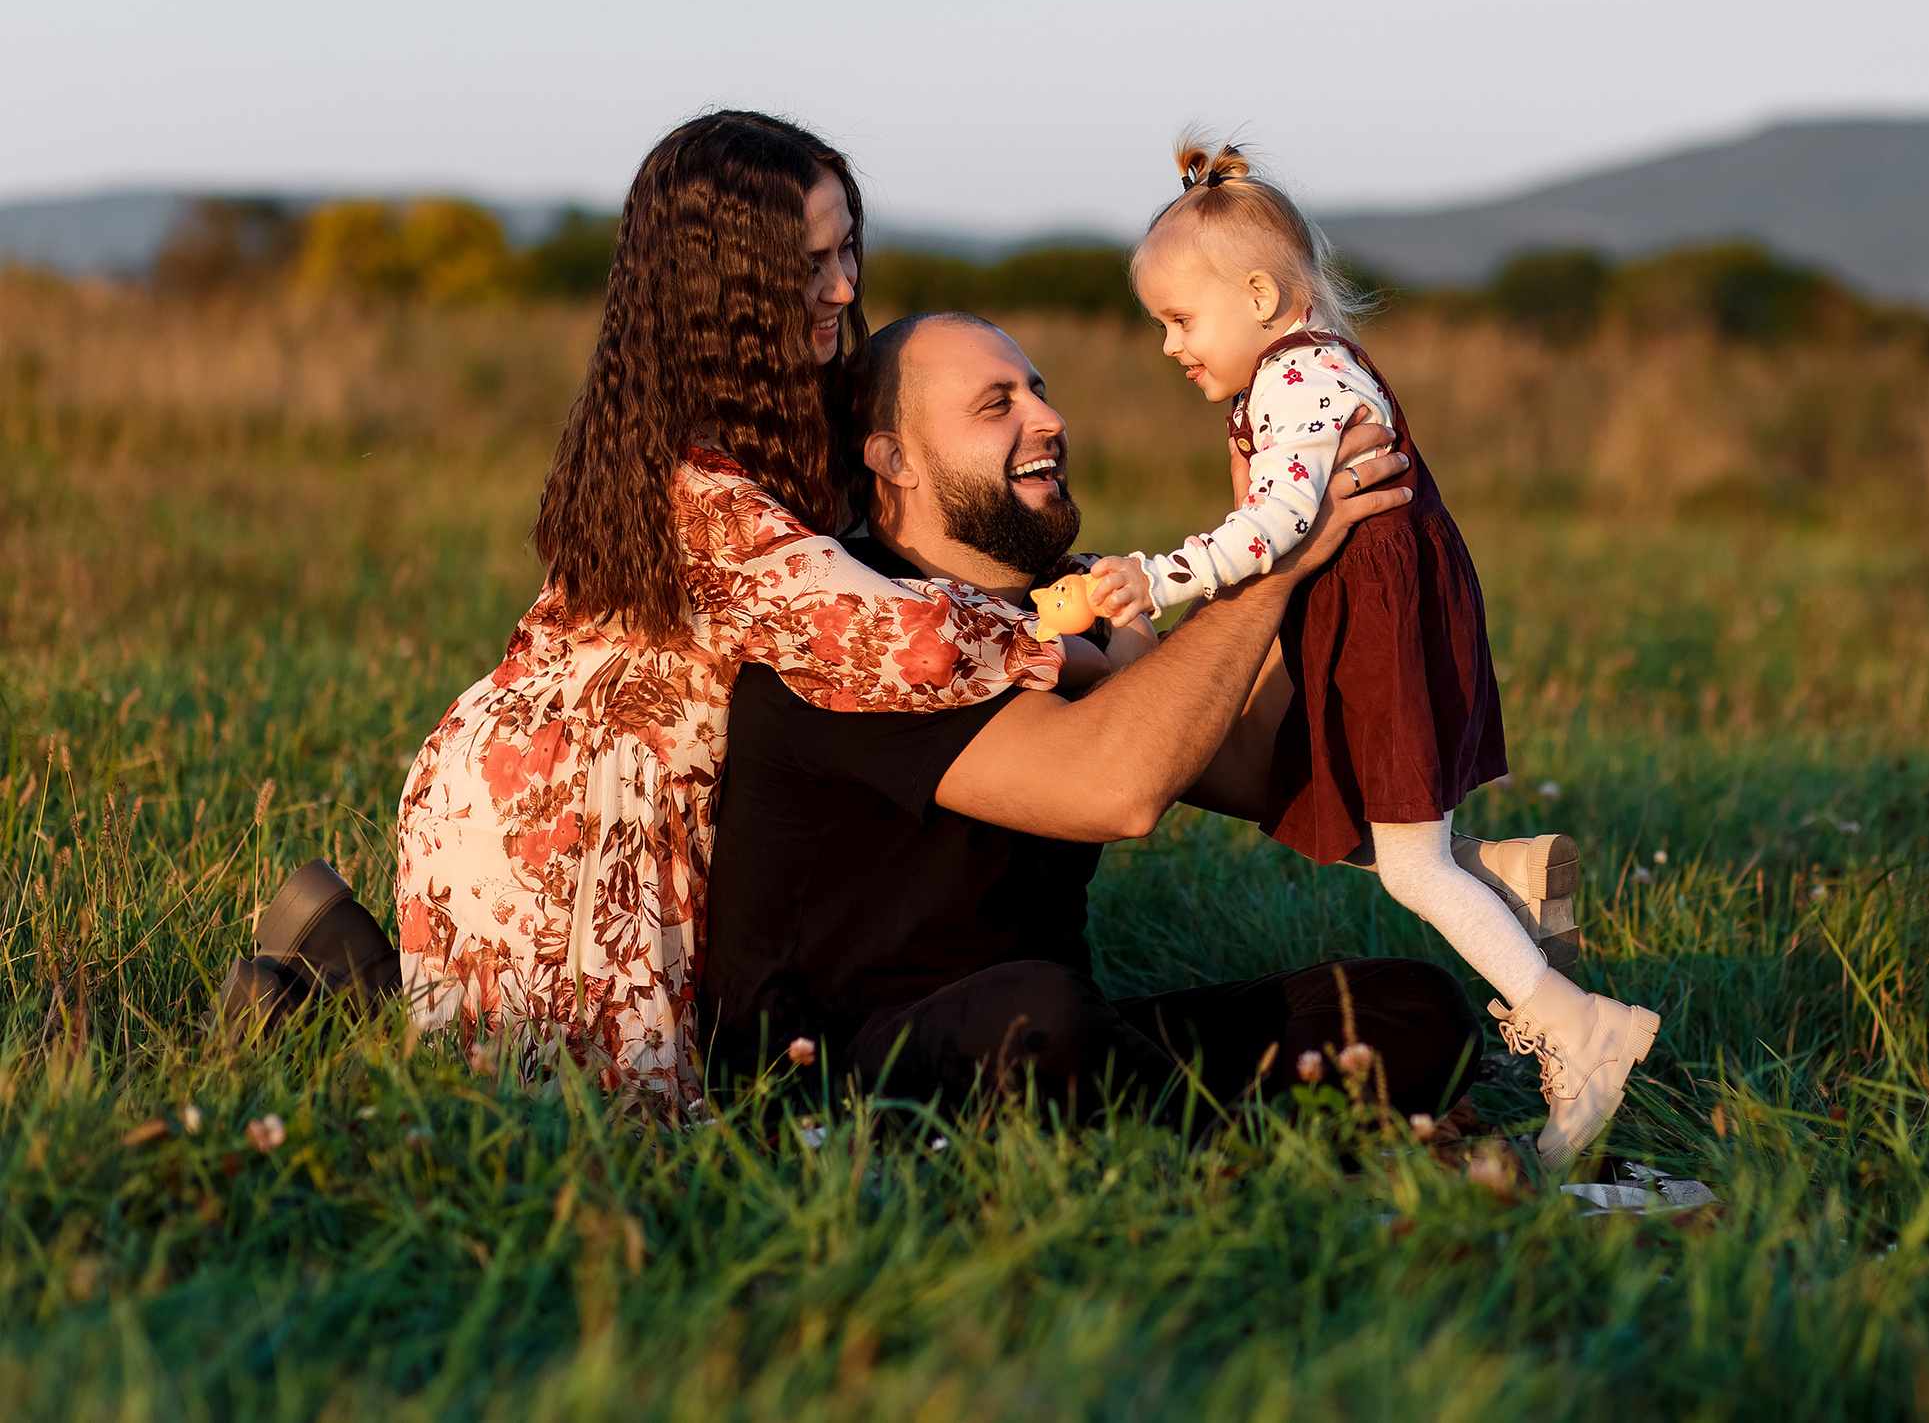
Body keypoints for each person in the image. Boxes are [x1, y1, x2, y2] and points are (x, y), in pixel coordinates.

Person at [388, 112, 1086, 1103]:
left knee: (541, 1087)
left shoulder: (779, 417)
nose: (843, 286)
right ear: (727, 291)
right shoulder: (700, 488)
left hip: (607, 799)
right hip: (567, 822)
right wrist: (1080, 637)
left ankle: (326, 962)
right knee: (605, 1135)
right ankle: (318, 985)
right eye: (809, 265)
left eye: (846, 250)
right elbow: (903, 640)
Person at [698, 311, 1489, 1124]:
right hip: (829, 1066)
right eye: (997, 403)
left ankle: (1184, 1132)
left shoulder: (1074, 606)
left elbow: (1251, 765)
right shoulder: (852, 630)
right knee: (1040, 1014)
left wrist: (1296, 531)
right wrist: (1272, 570)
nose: (1049, 418)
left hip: (1059, 1032)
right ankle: (1233, 1146)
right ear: (894, 458)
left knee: (1411, 1009)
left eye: (1039, 392)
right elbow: (1116, 789)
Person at [1062, 134, 1656, 1166]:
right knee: (1341, 809)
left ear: (1258, 296)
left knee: (1410, 867)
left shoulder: (1300, 378)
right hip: (1366, 619)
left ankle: (1577, 1027)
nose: (1167, 345)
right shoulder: (1303, 370)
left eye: (1179, 320)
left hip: (1375, 631)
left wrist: (1159, 577)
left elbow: (1282, 520)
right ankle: (1502, 874)